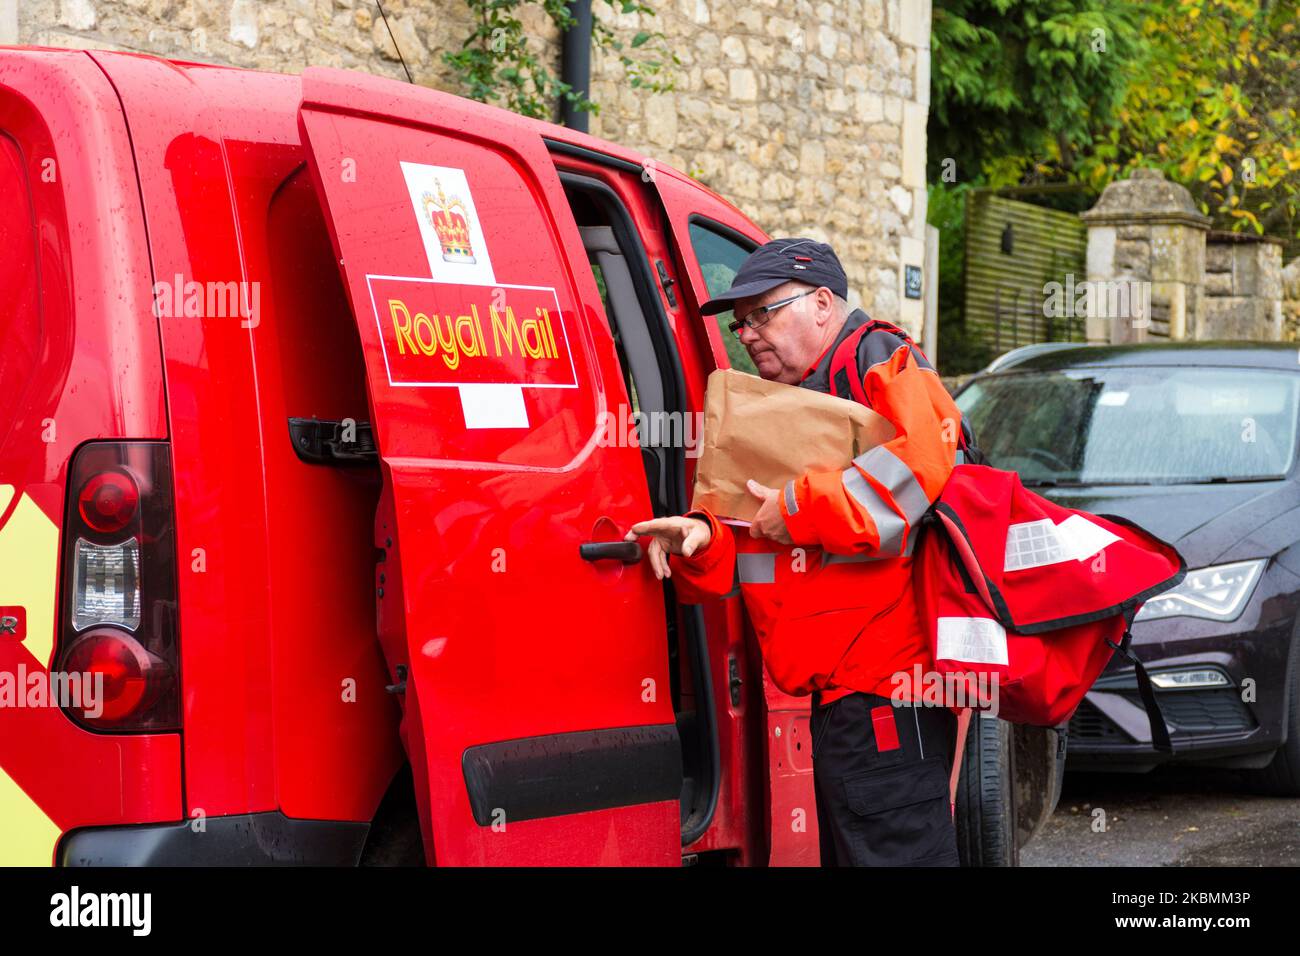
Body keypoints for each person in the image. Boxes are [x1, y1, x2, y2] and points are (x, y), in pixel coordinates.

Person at [627, 238, 967, 866]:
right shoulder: (794, 401)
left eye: (763, 314)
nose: (748, 334)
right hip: (845, 696)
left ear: (819, 303)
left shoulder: (879, 355)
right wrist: (703, 538)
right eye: (741, 322)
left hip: (885, 690)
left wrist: (796, 507)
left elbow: (925, 471)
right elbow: (758, 528)